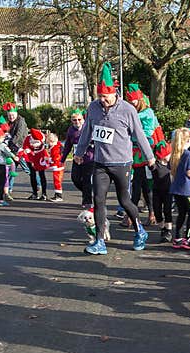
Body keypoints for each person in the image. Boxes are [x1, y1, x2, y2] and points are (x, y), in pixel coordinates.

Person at [73, 62, 154, 255]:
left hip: (122, 163)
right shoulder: (93, 108)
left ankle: (139, 231)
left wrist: (149, 157)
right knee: (98, 200)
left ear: (114, 93)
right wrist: (79, 152)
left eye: (106, 96)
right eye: (100, 96)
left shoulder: (127, 109)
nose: (103, 100)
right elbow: (87, 132)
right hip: (100, 163)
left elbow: (139, 135)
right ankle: (100, 241)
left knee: (125, 201)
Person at [126, 83, 166, 224]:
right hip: (136, 153)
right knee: (140, 184)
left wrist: (131, 137)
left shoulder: (147, 113)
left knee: (145, 185)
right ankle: (146, 214)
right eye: (129, 101)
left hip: (146, 153)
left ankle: (139, 215)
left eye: (133, 101)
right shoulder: (133, 112)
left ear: (139, 100)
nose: (131, 103)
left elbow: (147, 134)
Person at [169, 129, 190, 249]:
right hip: (187, 189)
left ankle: (177, 237)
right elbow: (189, 173)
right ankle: (188, 238)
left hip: (176, 188)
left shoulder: (175, 154)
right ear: (188, 140)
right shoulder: (189, 155)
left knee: (181, 214)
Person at [152, 128, 183, 243]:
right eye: (168, 154)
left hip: (168, 191)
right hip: (156, 190)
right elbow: (150, 164)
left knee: (167, 210)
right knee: (157, 212)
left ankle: (168, 231)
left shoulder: (171, 164)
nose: (170, 155)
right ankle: (163, 228)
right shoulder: (155, 165)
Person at [63, 109, 92, 208]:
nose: (77, 122)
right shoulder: (71, 130)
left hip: (88, 158)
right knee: (75, 179)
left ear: (83, 119)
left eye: (79, 119)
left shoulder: (88, 128)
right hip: (76, 158)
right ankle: (86, 192)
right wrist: (62, 159)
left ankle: (87, 201)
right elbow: (67, 145)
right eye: (74, 120)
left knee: (87, 180)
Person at [4, 102, 29, 194]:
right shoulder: (9, 123)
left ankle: (38, 185)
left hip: (20, 148)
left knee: (27, 169)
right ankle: (9, 188)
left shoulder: (21, 121)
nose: (11, 117)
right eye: (9, 115)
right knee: (11, 168)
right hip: (13, 149)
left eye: (13, 115)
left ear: (16, 114)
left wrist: (10, 144)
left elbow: (19, 135)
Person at [19, 128, 51, 200]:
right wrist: (28, 153)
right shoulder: (28, 139)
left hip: (40, 157)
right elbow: (25, 148)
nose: (35, 145)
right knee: (32, 175)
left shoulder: (41, 139)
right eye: (33, 143)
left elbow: (44, 151)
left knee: (42, 175)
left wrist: (46, 159)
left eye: (37, 142)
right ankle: (34, 193)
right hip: (30, 157)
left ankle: (44, 194)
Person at [0, 128, 18, 206]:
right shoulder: (1, 145)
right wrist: (15, 157)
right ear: (1, 137)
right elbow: (8, 153)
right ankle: (0, 200)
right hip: (2, 165)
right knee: (2, 183)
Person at [46, 131, 65, 202]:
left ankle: (58, 196)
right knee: (57, 181)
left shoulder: (55, 148)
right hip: (58, 166)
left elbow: (56, 158)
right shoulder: (57, 146)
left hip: (57, 166)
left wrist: (49, 161)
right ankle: (57, 194)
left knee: (57, 181)